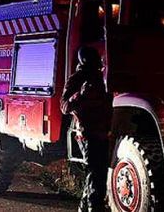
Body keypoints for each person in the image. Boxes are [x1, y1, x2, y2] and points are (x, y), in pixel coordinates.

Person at [61, 46, 113, 212]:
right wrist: (80, 95)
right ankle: (93, 207)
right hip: (87, 134)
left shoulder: (100, 77)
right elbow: (64, 106)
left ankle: (85, 206)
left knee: (99, 173)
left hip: (102, 132)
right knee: (95, 173)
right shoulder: (77, 78)